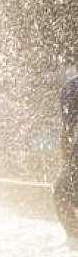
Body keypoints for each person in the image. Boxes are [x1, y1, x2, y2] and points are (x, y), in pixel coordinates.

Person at [55, 64, 78, 241]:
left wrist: (66, 164)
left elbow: (67, 132)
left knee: (61, 193)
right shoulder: (71, 88)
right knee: (61, 192)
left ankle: (74, 237)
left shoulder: (72, 88)